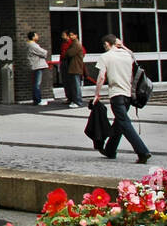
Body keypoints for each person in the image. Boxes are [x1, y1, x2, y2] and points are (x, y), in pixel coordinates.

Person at [92, 33, 151, 164]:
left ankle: (143, 152)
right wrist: (122, 45)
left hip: (116, 94)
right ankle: (110, 150)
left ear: (107, 44)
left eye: (104, 45)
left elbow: (101, 77)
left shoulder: (105, 56)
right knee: (119, 123)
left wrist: (97, 94)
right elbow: (133, 56)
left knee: (124, 123)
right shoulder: (127, 54)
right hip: (128, 95)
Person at [63, 32, 85, 108]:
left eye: (72, 35)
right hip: (73, 67)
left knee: (76, 85)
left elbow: (69, 53)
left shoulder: (76, 44)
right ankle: (75, 100)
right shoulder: (73, 44)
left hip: (75, 67)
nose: (71, 37)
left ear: (76, 35)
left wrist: (66, 52)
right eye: (70, 35)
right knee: (73, 85)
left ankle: (78, 101)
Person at [26, 31, 49, 106]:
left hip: (35, 65)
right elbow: (43, 52)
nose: (38, 36)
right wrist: (45, 52)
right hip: (37, 65)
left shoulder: (30, 44)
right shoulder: (33, 45)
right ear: (33, 37)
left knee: (36, 83)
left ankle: (37, 100)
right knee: (37, 84)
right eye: (36, 35)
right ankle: (38, 100)